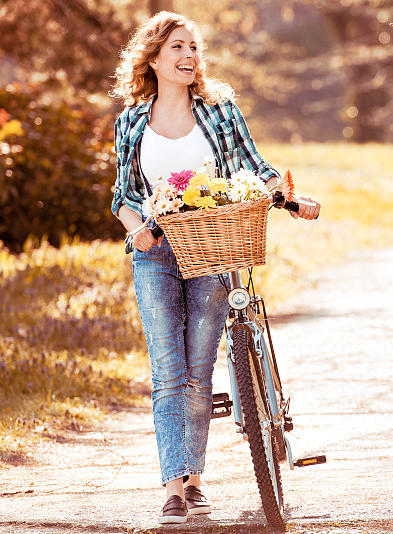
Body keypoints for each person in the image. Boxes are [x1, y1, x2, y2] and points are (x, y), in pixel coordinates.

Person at [109, 11, 320, 525]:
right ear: (154, 58)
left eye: (194, 48)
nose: (188, 57)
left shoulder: (221, 110)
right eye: (177, 48)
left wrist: (290, 199)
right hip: (156, 250)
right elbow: (122, 193)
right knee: (168, 372)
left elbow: (254, 163)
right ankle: (173, 490)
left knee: (198, 371)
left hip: (212, 247)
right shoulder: (131, 120)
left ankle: (195, 481)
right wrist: (135, 226)